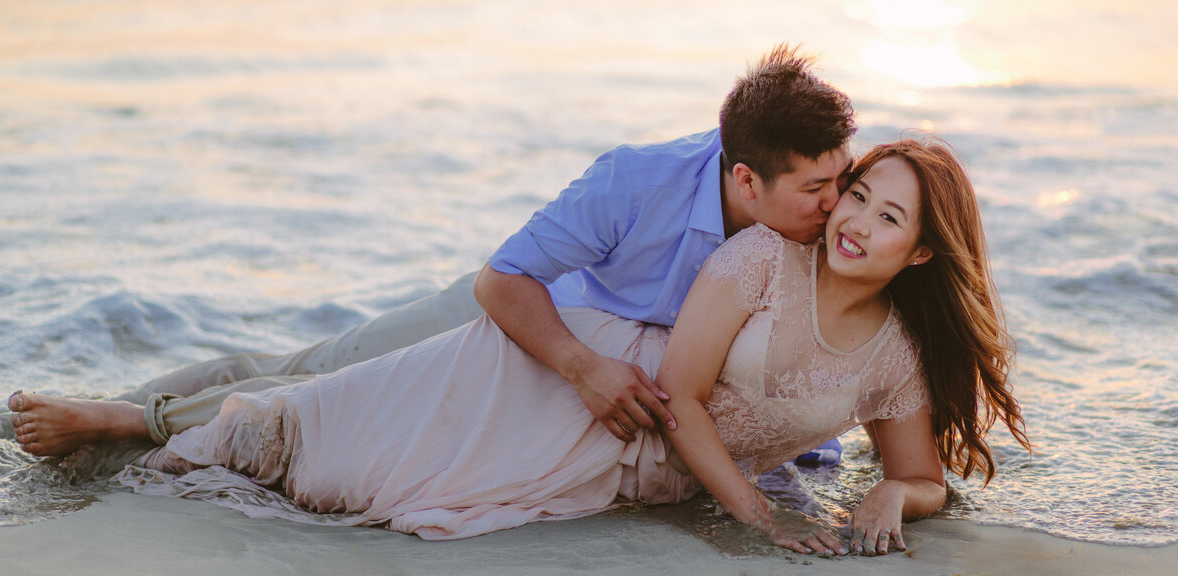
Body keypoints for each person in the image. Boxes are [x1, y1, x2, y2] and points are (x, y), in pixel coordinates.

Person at [99, 138, 1029, 555]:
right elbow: (683, 392)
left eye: (885, 211)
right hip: (570, 369)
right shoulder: (761, 258)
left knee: (358, 479)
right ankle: (123, 424)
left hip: (632, 438)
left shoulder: (898, 354)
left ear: (926, 250)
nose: (854, 217)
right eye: (857, 193)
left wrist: (886, 498)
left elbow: (922, 474)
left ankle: (142, 425)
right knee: (318, 421)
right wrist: (760, 516)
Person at [9, 45, 856, 455]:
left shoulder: (828, 229)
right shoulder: (638, 181)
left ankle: (125, 417)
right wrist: (581, 366)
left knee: (317, 394)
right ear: (746, 181)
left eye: (841, 180)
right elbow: (503, 278)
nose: (833, 206)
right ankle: (123, 416)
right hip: (523, 321)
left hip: (573, 361)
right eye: (814, 191)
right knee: (316, 366)